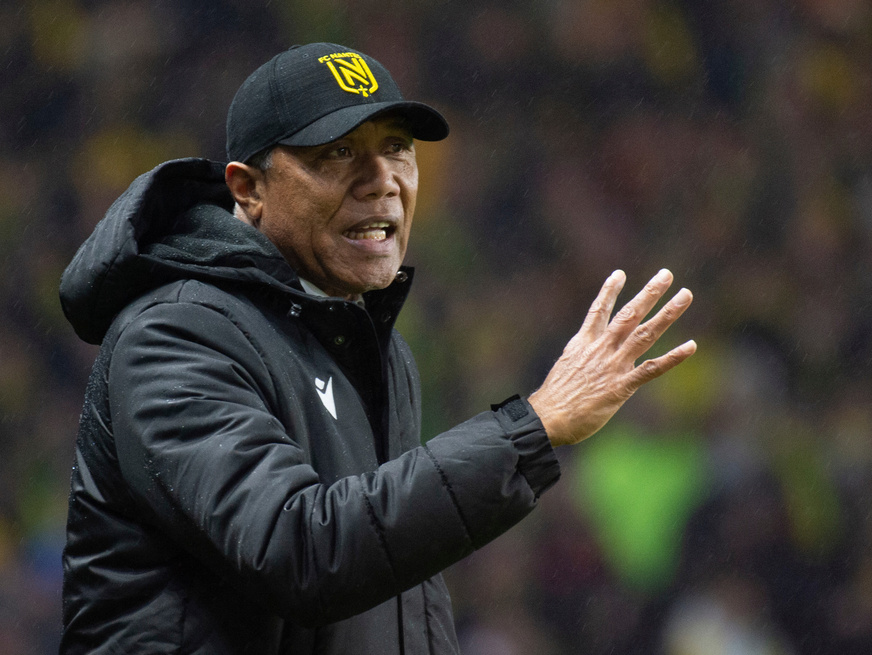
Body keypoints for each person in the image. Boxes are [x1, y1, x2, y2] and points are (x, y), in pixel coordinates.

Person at [58, 42, 696, 654]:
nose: (382, 180)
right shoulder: (175, 336)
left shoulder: (373, 349)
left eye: (397, 148)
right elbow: (300, 551)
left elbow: (389, 593)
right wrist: (533, 428)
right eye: (337, 153)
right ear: (247, 189)